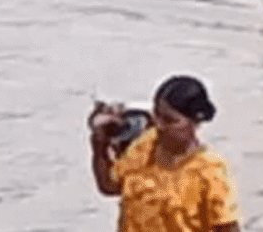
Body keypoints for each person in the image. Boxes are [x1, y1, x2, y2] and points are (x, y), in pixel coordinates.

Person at [88, 75, 241, 232]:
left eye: (170, 120)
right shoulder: (146, 145)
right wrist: (99, 145)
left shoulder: (211, 171)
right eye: (157, 115)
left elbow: (228, 228)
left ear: (195, 122)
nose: (160, 125)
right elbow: (109, 186)